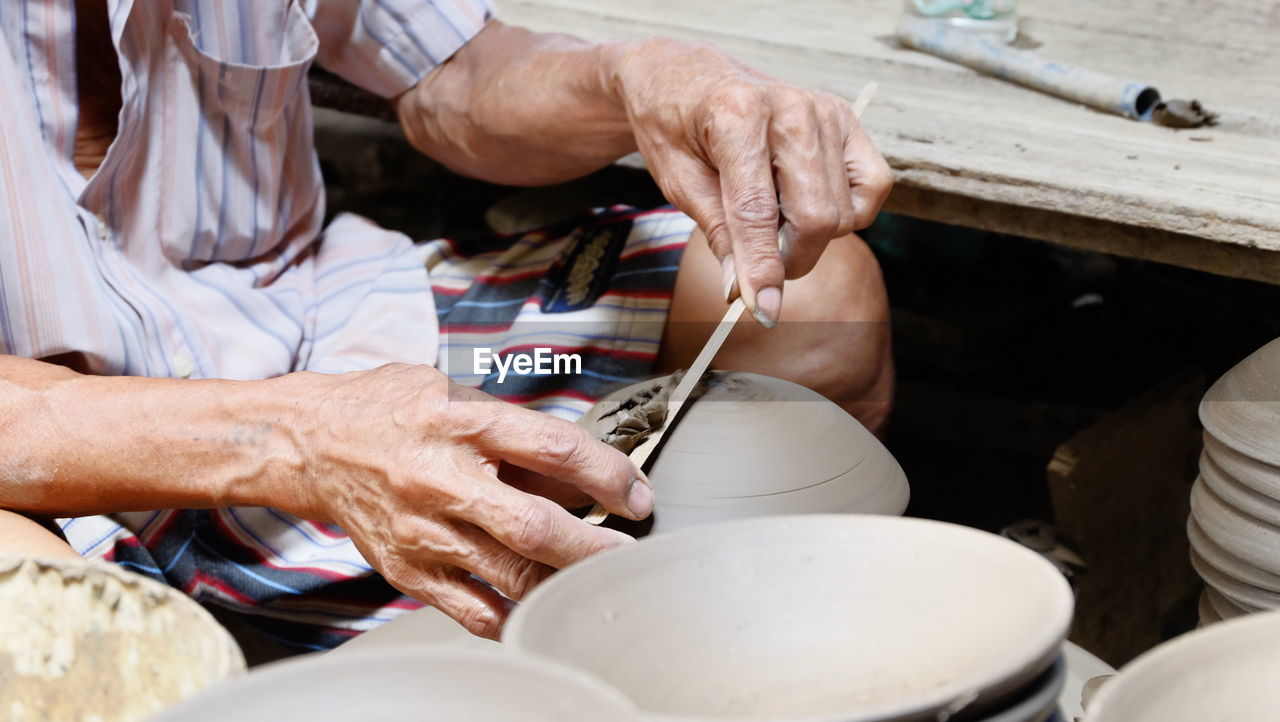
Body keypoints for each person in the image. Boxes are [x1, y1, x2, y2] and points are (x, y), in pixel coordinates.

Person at [0, 0, 893, 648]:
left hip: (318, 324)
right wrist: (302, 441)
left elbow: (451, 73)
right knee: (64, 648)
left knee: (817, 312)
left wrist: (633, 78)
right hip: (57, 445)